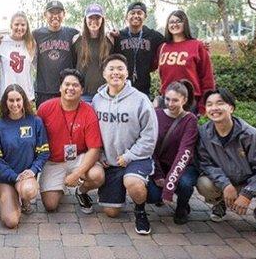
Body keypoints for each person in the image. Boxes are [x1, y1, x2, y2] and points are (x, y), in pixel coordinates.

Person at [197, 88, 256, 238]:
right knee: (203, 183)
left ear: (231, 108)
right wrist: (225, 185)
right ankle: (220, 202)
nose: (214, 108)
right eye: (209, 104)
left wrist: (248, 193)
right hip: (226, 181)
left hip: (252, 182)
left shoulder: (250, 134)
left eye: (219, 103)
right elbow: (206, 164)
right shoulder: (203, 133)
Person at [92, 54, 158, 234]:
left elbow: (150, 135)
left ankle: (140, 211)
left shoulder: (140, 99)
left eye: (120, 69)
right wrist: (100, 154)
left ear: (127, 73)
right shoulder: (97, 100)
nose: (116, 73)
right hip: (110, 161)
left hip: (135, 157)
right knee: (111, 212)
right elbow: (92, 133)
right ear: (104, 73)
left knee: (133, 184)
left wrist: (130, 156)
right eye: (111, 69)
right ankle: (116, 190)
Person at [37, 69, 104, 213]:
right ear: (60, 87)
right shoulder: (45, 108)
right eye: (67, 84)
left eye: (75, 85)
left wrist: (76, 174)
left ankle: (81, 191)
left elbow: (94, 148)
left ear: (82, 90)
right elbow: (35, 141)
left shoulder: (89, 111)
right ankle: (60, 184)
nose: (70, 88)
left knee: (97, 175)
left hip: (78, 157)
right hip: (53, 161)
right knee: (50, 205)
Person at [0, 84, 50, 228]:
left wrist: (33, 170)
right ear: (5, 102)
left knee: (28, 191)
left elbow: (44, 151)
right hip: (6, 178)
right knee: (11, 222)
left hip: (27, 176)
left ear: (24, 100)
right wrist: (14, 177)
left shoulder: (35, 121)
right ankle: (5, 197)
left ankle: (23, 199)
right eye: (11, 100)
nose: (15, 104)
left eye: (18, 100)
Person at [147, 80, 199, 224]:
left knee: (185, 184)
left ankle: (182, 207)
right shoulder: (156, 115)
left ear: (185, 100)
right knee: (152, 196)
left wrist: (169, 185)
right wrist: (157, 174)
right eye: (167, 99)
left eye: (175, 100)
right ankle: (161, 195)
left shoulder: (190, 120)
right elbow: (150, 148)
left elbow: (184, 152)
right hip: (160, 165)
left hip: (184, 166)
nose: (170, 104)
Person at [157, 10, 215, 114]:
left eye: (178, 21)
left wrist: (204, 105)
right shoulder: (163, 47)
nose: (174, 24)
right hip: (166, 101)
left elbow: (207, 78)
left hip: (189, 102)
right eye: (171, 22)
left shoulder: (197, 46)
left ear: (185, 23)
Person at [112, 2, 165, 97]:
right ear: (126, 16)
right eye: (132, 13)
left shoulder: (153, 36)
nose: (136, 16)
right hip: (121, 89)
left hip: (144, 90)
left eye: (139, 13)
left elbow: (172, 42)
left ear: (145, 16)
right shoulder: (118, 36)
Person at [33, 1, 79, 108]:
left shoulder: (72, 33)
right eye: (51, 13)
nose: (55, 16)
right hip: (44, 89)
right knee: (43, 121)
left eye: (58, 12)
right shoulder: (36, 34)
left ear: (64, 14)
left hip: (67, 88)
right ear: (45, 15)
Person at [72, 3, 113, 102]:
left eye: (97, 18)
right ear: (85, 19)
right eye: (90, 18)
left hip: (104, 93)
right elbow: (73, 65)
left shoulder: (110, 40)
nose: (94, 21)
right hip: (82, 94)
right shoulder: (77, 40)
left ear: (102, 20)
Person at [0, 11, 36, 103]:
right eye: (16, 24)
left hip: (25, 91)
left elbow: (35, 65)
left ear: (27, 26)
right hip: (6, 91)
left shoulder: (31, 43)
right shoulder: (2, 42)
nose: (19, 28)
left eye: (23, 25)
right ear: (11, 25)